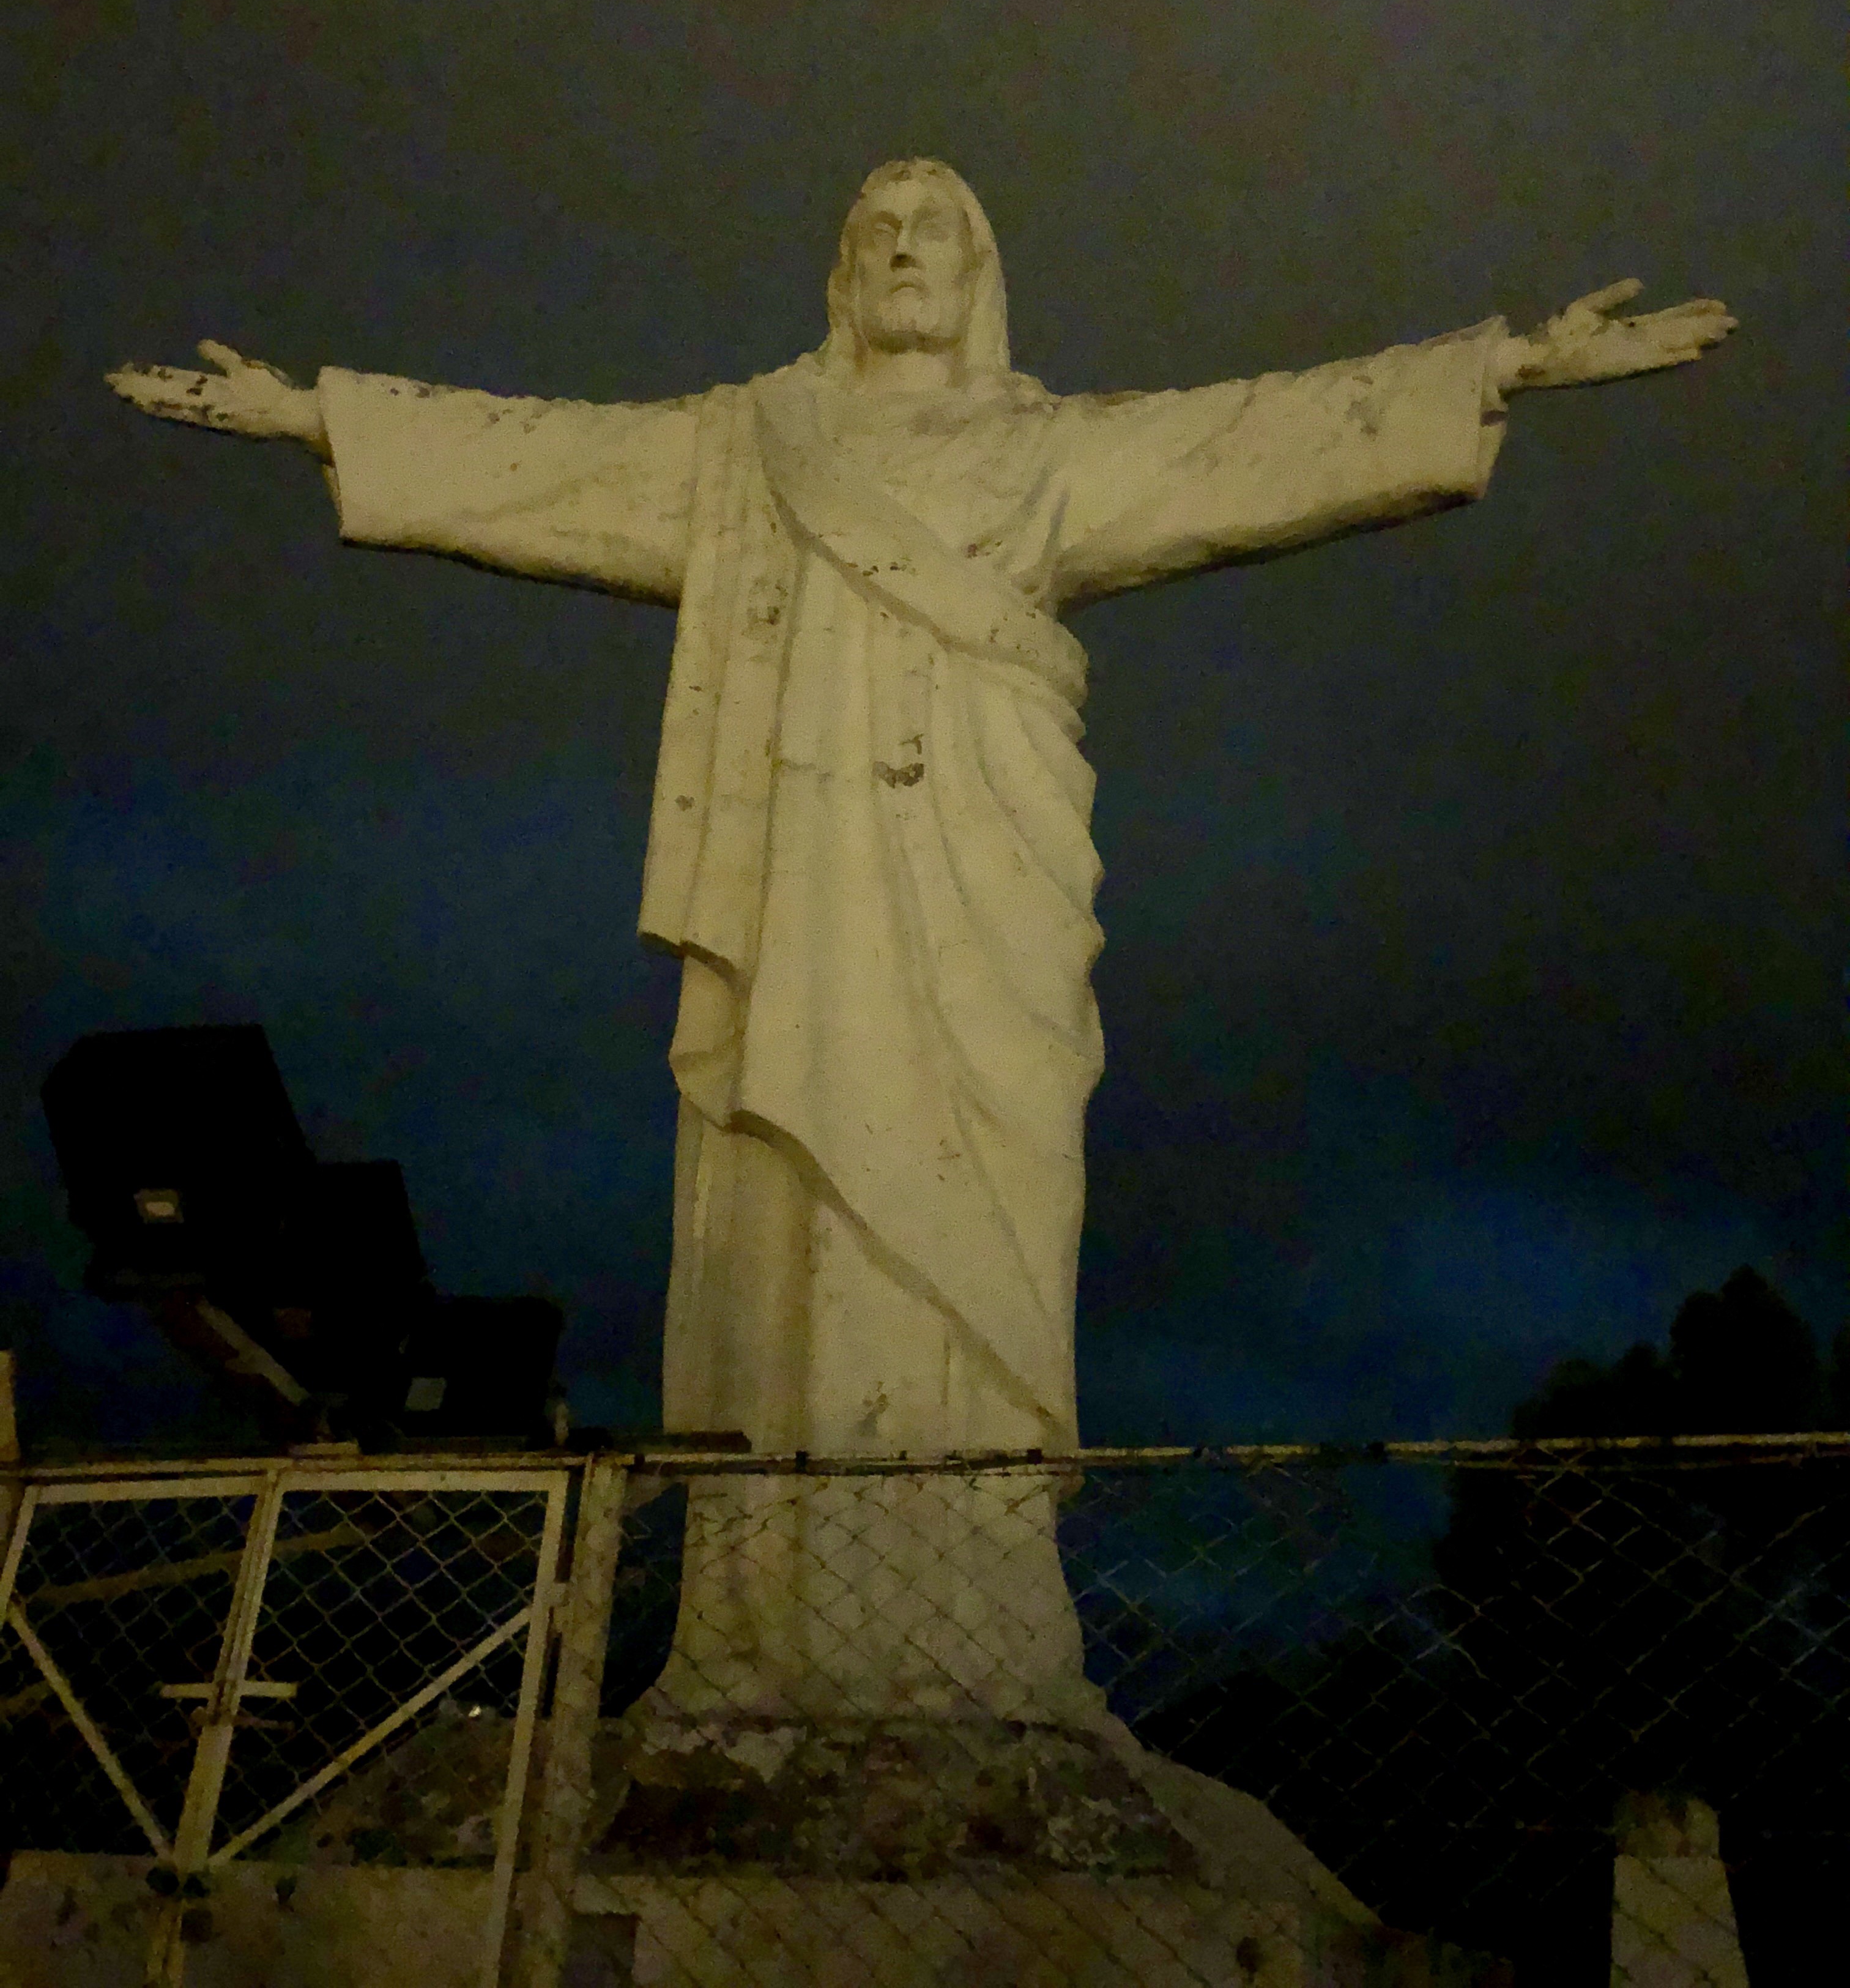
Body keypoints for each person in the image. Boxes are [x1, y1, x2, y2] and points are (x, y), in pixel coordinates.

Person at [110, 160, 1731, 1719]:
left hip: (985, 882)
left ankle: (974, 1632)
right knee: (789, 1200)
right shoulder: (749, 446)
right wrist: (327, 416)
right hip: (801, 885)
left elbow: (1256, 442)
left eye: (933, 225)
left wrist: (1500, 367)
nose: (901, 244)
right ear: (841, 273)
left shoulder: (1053, 450)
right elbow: (555, 463)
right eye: (875, 224)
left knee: (979, 1208)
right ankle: (766, 1626)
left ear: (977, 271)